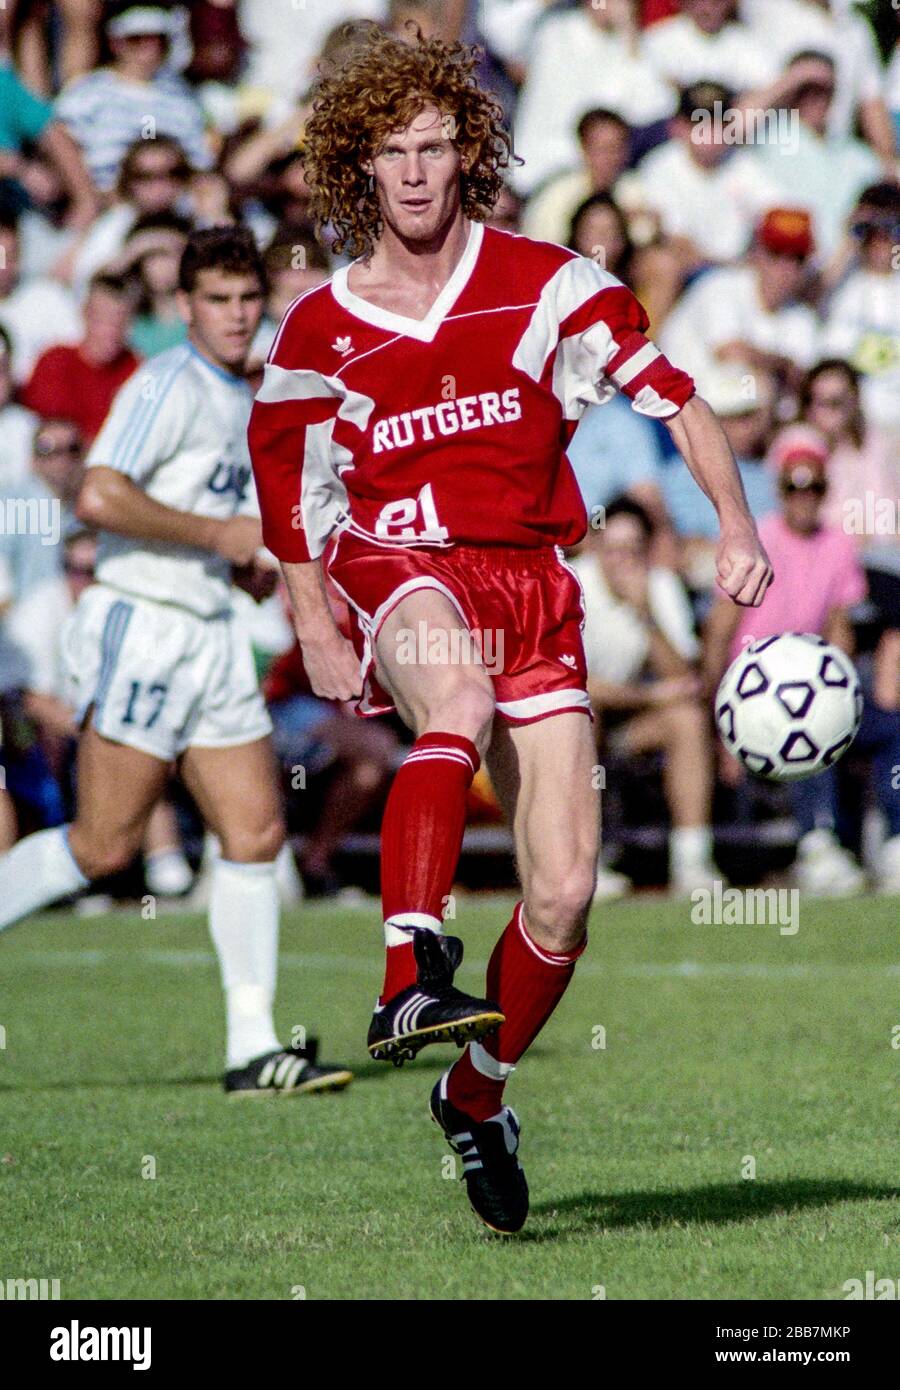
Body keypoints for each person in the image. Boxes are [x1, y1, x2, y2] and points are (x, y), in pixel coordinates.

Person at [248, 25, 771, 1234]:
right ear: (357, 166)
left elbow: (682, 404)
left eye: (437, 145)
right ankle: (410, 969)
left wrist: (739, 527)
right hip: (399, 561)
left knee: (567, 894)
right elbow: (285, 492)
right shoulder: (320, 328)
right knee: (458, 703)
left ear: (469, 152)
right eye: (394, 151)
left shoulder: (551, 282)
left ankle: (475, 1093)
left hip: (533, 582)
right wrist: (313, 615)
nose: (419, 171)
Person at [0, 225, 352, 1097]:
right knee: (103, 844)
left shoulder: (246, 394)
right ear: (185, 307)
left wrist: (230, 563)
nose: (236, 316)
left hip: (208, 630)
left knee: (257, 833)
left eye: (246, 300)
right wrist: (217, 535)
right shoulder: (167, 382)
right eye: (218, 301)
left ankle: (251, 1047)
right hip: (145, 625)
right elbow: (98, 491)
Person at [704, 425, 870, 895]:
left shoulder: (839, 544)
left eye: (814, 486)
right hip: (749, 687)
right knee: (798, 717)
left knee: (876, 718)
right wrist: (720, 719)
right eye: (793, 487)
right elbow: (719, 631)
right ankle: (817, 844)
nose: (804, 498)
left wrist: (840, 689)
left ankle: (888, 843)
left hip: (811, 674)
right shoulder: (755, 540)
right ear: (779, 490)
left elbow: (841, 629)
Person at [573, 497, 718, 894]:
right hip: (578, 718)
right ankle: (583, 862)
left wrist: (645, 614)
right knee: (581, 715)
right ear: (596, 546)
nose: (623, 560)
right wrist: (651, 697)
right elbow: (573, 685)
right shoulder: (572, 584)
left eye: (633, 549)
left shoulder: (659, 586)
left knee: (687, 719)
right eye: (614, 549)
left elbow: (684, 678)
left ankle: (692, 861)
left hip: (628, 719)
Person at [658, 207, 820, 396]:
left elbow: (802, 379)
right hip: (677, 397)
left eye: (797, 258)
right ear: (756, 254)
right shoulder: (721, 285)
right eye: (776, 253)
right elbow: (731, 354)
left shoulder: (802, 318)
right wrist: (783, 363)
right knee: (759, 386)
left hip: (730, 404)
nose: (786, 268)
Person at [55, 2, 212, 195]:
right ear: (116, 43)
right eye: (137, 39)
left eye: (158, 39)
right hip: (105, 202)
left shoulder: (183, 97)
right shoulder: (86, 92)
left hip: (174, 206)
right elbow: (61, 146)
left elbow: (199, 163)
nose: (150, 47)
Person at [20, 273, 141, 441]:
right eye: (103, 320)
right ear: (85, 314)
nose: (111, 332)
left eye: (120, 322)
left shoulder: (137, 369)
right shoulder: (54, 362)